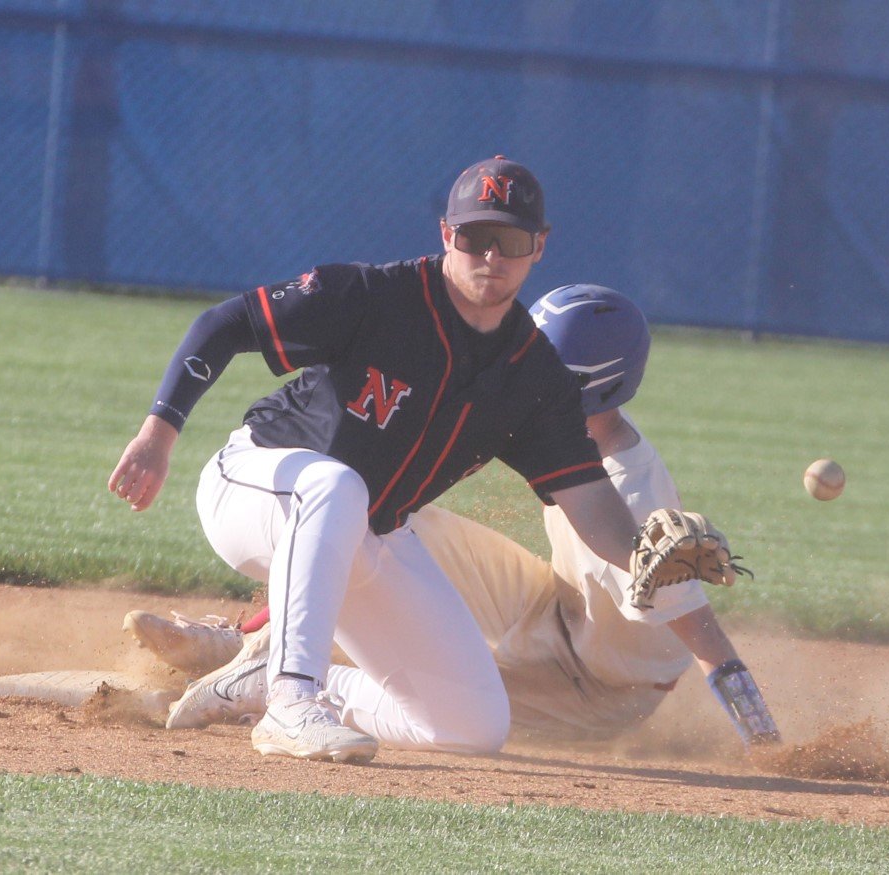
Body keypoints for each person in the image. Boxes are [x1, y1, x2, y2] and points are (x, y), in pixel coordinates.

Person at [109, 157, 660, 764]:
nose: (491, 257)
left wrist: (650, 558)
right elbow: (225, 323)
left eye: (511, 240)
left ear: (539, 248)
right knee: (337, 485)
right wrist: (159, 434)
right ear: (448, 234)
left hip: (366, 535)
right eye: (476, 237)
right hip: (255, 488)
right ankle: (294, 706)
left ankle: (270, 679)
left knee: (472, 725)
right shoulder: (374, 296)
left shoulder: (532, 377)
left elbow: (591, 503)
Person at [130, 284, 780, 749]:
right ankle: (248, 639)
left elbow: (702, 634)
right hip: (553, 605)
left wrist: (763, 733)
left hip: (593, 686)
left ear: (590, 384)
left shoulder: (634, 496)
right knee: (386, 512)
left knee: (457, 708)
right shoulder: (553, 415)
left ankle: (287, 678)